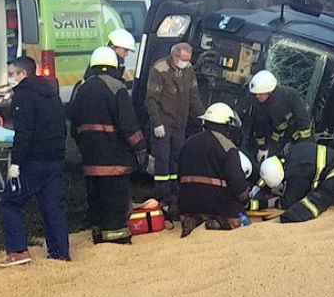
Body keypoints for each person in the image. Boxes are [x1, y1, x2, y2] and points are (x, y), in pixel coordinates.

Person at [68, 46, 148, 245]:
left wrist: (84, 147)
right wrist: (140, 148)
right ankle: (116, 240)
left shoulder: (81, 88)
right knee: (115, 203)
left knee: (96, 200)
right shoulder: (116, 87)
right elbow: (128, 125)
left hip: (90, 161)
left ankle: (98, 235)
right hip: (115, 161)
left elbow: (73, 126)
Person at [0, 56, 70, 267]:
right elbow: (62, 125)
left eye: (12, 74)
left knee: (10, 202)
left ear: (23, 74)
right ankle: (60, 251)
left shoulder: (23, 96)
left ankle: (17, 250)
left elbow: (24, 132)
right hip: (55, 157)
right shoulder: (51, 92)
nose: (10, 78)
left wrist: (16, 163)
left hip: (34, 160)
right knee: (52, 206)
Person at [145, 42, 204, 220]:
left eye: (189, 59)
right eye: (184, 59)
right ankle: (163, 195)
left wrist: (203, 117)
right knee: (163, 159)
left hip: (180, 123)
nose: (187, 63)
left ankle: (176, 193)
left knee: (177, 158)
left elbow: (194, 96)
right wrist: (156, 123)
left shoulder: (188, 70)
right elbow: (151, 100)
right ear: (175, 56)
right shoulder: (160, 69)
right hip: (163, 123)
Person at [176, 103, 252, 237]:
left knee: (196, 209)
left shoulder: (188, 143)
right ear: (226, 125)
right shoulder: (227, 147)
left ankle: (194, 219)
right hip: (217, 205)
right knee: (237, 216)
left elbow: (179, 175)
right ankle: (220, 222)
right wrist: (245, 198)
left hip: (187, 204)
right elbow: (237, 184)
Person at [257, 140, 334, 223]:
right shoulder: (291, 152)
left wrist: (271, 204)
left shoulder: (297, 174)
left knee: (313, 203)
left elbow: (289, 201)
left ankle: (287, 219)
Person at [247, 70, 313, 161]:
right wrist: (263, 148)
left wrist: (304, 148)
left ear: (270, 92)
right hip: (276, 137)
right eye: (255, 94)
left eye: (260, 94)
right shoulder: (258, 105)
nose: (257, 97)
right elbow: (259, 127)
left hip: (296, 134)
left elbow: (303, 123)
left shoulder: (290, 96)